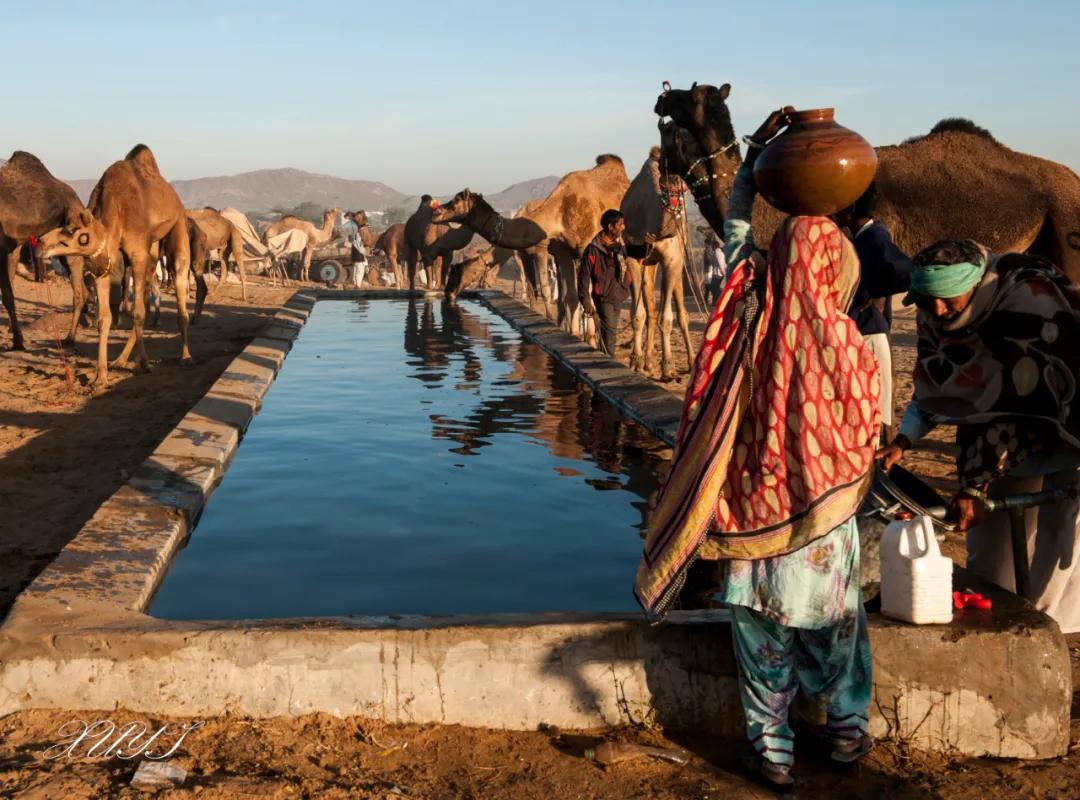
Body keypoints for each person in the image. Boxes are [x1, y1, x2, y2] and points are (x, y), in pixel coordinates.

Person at [635, 108, 878, 791]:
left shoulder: (752, 305)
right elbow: (867, 430)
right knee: (838, 635)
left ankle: (771, 753)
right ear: (836, 274)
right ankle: (847, 735)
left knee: (761, 642)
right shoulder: (851, 345)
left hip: (755, 520)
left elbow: (734, 222)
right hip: (824, 530)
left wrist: (761, 148)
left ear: (775, 265)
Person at [878, 238, 1080, 633]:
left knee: (1057, 539)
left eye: (947, 300)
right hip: (994, 440)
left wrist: (975, 487)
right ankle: (1003, 622)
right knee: (992, 551)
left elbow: (1018, 405)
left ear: (972, 286)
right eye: (925, 300)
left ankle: (1046, 636)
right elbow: (940, 383)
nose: (937, 310)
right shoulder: (934, 312)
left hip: (1065, 425)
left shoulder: (1027, 308)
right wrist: (903, 442)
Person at [833, 184, 912, 444]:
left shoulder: (875, 238)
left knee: (872, 415)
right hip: (859, 333)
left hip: (869, 334)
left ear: (851, 209)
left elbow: (904, 271)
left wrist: (874, 294)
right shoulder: (859, 240)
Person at [578, 209, 632, 356]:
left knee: (610, 333)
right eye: (620, 224)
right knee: (609, 335)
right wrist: (585, 300)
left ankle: (606, 359)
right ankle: (609, 363)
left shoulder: (619, 247)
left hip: (618, 295)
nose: (623, 227)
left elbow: (636, 252)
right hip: (603, 297)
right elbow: (584, 276)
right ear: (610, 226)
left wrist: (647, 245)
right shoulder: (593, 250)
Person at [702, 230, 727, 306]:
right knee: (714, 288)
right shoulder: (715, 252)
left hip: (718, 274)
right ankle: (715, 302)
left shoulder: (718, 253)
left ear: (714, 246)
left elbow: (721, 263)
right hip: (715, 273)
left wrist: (723, 273)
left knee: (715, 288)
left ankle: (718, 302)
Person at [345, 213, 369, 287]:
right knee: (359, 269)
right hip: (359, 252)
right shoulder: (358, 232)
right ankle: (357, 285)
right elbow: (360, 244)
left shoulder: (352, 231)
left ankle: (355, 283)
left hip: (356, 252)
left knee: (356, 268)